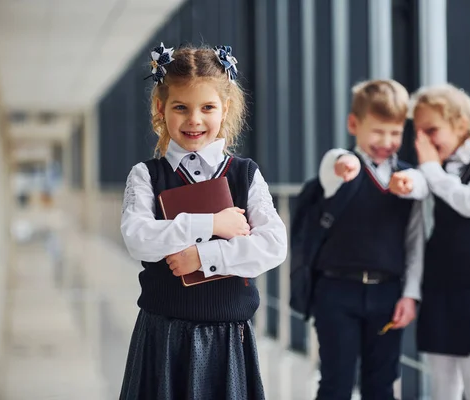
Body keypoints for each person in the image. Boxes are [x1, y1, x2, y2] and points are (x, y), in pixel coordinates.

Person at [118, 42, 287, 400]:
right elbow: (137, 238)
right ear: (161, 109)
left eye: (207, 107)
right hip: (162, 337)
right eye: (181, 107)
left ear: (224, 109)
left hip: (228, 339)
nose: (194, 120)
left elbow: (273, 246)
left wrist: (202, 258)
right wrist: (210, 225)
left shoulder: (245, 175)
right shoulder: (145, 175)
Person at [390, 83, 470, 400]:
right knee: (443, 388)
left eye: (431, 130)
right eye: (418, 134)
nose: (424, 143)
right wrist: (416, 177)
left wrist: (430, 168)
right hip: (439, 286)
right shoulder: (435, 166)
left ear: (461, 123)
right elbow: (421, 184)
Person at [313, 79, 426, 400]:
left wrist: (410, 295)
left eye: (395, 133)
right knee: (336, 383)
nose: (386, 141)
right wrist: (344, 165)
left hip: (388, 295)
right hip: (337, 292)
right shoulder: (342, 164)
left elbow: (415, 241)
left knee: (382, 386)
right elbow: (331, 168)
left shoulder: (409, 179)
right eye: (377, 132)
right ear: (353, 124)